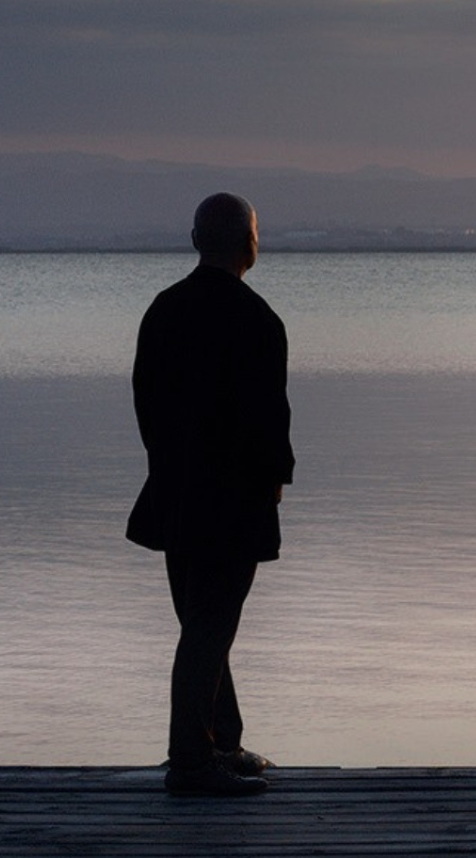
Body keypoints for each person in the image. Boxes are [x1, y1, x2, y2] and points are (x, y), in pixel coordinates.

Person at [127, 192, 295, 796]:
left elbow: (144, 401)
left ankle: (222, 741)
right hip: (232, 501)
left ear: (197, 240)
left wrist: (167, 465)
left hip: (174, 492)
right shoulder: (257, 319)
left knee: (201, 624)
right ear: (248, 243)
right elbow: (268, 419)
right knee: (208, 629)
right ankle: (192, 763)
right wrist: (275, 482)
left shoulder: (164, 309)